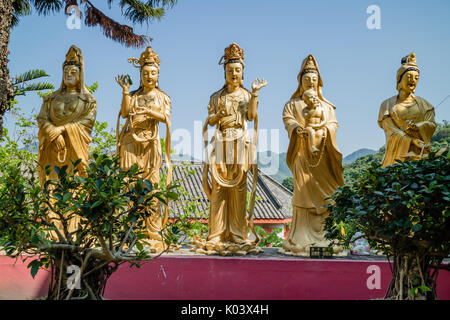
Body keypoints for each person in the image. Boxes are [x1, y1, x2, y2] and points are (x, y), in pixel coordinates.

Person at [195, 43, 267, 256]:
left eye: (237, 70)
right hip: (221, 141)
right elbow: (209, 120)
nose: (234, 73)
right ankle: (216, 232)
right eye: (230, 70)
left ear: (243, 72)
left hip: (239, 142)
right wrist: (216, 117)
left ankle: (237, 232)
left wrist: (254, 95)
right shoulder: (216, 96)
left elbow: (252, 117)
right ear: (224, 72)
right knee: (218, 189)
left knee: (238, 190)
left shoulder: (246, 95)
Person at [280, 54, 345, 257]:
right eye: (307, 79)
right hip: (302, 152)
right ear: (300, 81)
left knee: (328, 195)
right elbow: (288, 120)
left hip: (324, 155)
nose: (310, 82)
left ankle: (328, 237)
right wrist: (298, 128)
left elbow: (333, 124)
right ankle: (301, 237)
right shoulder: (292, 104)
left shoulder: (328, 106)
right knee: (302, 191)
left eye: (314, 79)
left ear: (319, 82)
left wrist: (324, 130)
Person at [115, 46, 172, 251]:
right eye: (145, 73)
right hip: (131, 142)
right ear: (140, 74)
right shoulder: (134, 95)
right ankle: (132, 227)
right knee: (131, 183)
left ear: (158, 75)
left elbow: (166, 118)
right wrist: (125, 91)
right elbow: (124, 113)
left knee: (152, 185)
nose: (149, 76)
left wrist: (149, 111)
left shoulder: (162, 96)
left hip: (151, 143)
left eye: (153, 73)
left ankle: (153, 228)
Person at [37, 45, 97, 238]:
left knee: (74, 186)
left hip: (75, 151)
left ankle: (73, 228)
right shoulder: (50, 99)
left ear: (81, 74)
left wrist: (63, 129)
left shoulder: (87, 101)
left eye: (73, 71)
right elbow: (41, 119)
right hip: (53, 151)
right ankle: (52, 228)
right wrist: (52, 132)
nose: (69, 74)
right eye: (66, 71)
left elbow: (87, 122)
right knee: (53, 184)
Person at [378, 52, 436, 167]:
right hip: (397, 156)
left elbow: (432, 125)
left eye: (416, 78)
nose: (412, 80)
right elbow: (390, 130)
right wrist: (410, 140)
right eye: (409, 77)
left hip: (419, 152)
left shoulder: (425, 105)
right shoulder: (387, 105)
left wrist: (419, 127)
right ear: (399, 79)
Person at [301, 88, 326, 155]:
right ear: (305, 101)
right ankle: (312, 147)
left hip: (318, 127)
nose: (314, 98)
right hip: (309, 127)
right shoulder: (305, 110)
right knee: (311, 132)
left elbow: (324, 120)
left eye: (315, 96)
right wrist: (313, 109)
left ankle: (317, 149)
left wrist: (319, 125)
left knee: (320, 133)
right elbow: (307, 116)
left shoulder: (321, 109)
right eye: (311, 97)